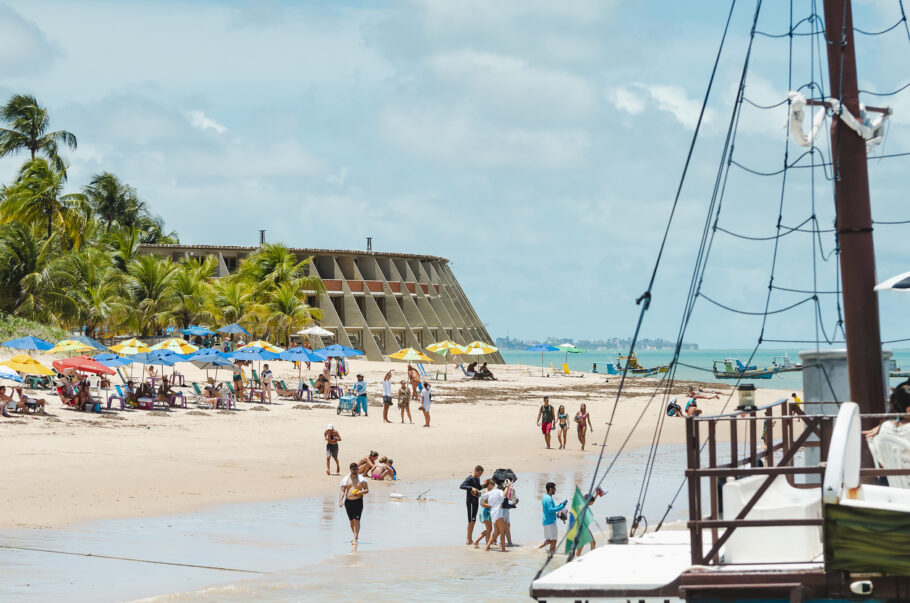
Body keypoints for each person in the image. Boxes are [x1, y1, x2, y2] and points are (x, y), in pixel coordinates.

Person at [339, 461, 369, 544]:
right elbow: (342, 491)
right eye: (354, 469)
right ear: (350, 470)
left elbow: (367, 490)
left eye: (357, 469)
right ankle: (355, 535)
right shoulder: (346, 480)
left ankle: (354, 539)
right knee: (351, 521)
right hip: (348, 502)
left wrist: (360, 492)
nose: (356, 471)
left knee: (357, 520)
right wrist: (340, 501)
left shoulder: (362, 480)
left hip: (358, 502)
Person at [538, 482, 568, 553]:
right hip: (550, 523)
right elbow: (550, 510)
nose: (555, 490)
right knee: (553, 541)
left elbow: (550, 509)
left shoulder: (545, 497)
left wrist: (560, 505)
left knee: (548, 541)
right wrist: (562, 506)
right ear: (551, 489)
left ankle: (536, 549)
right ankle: (551, 556)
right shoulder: (549, 499)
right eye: (554, 488)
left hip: (546, 521)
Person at [459, 465, 484, 544]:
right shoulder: (470, 478)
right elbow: (462, 486)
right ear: (475, 470)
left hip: (476, 501)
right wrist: (471, 488)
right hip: (470, 502)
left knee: (474, 520)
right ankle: (468, 539)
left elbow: (478, 487)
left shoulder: (478, 478)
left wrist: (485, 485)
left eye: (481, 474)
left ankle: (470, 539)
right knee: (470, 520)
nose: (480, 475)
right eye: (479, 473)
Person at [484, 482, 507, 552]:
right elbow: (504, 495)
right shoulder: (500, 491)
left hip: (492, 512)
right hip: (498, 512)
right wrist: (508, 487)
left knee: (496, 531)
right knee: (502, 532)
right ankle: (503, 550)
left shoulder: (490, 492)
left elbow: (483, 496)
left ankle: (486, 548)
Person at [472, 479, 495, 549]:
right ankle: (477, 541)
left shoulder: (483, 490)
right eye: (492, 484)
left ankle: (487, 544)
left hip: (484, 510)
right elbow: (484, 503)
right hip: (486, 510)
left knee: (489, 529)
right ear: (488, 484)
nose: (493, 486)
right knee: (489, 529)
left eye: (494, 484)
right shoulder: (487, 491)